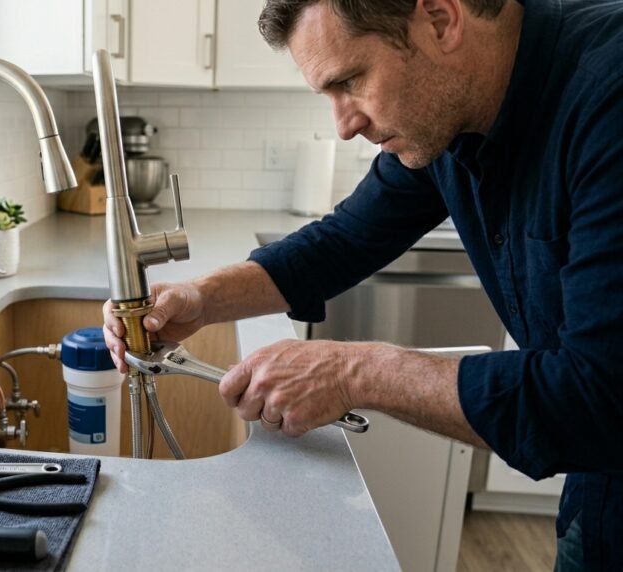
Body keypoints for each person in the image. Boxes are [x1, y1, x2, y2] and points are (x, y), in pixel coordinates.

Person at [102, 0, 623, 569]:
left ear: (441, 20)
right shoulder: (446, 114)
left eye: (350, 81)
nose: (344, 126)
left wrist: (352, 372)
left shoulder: (608, 96)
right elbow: (345, 240)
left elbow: (598, 396)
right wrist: (202, 298)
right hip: (598, 485)